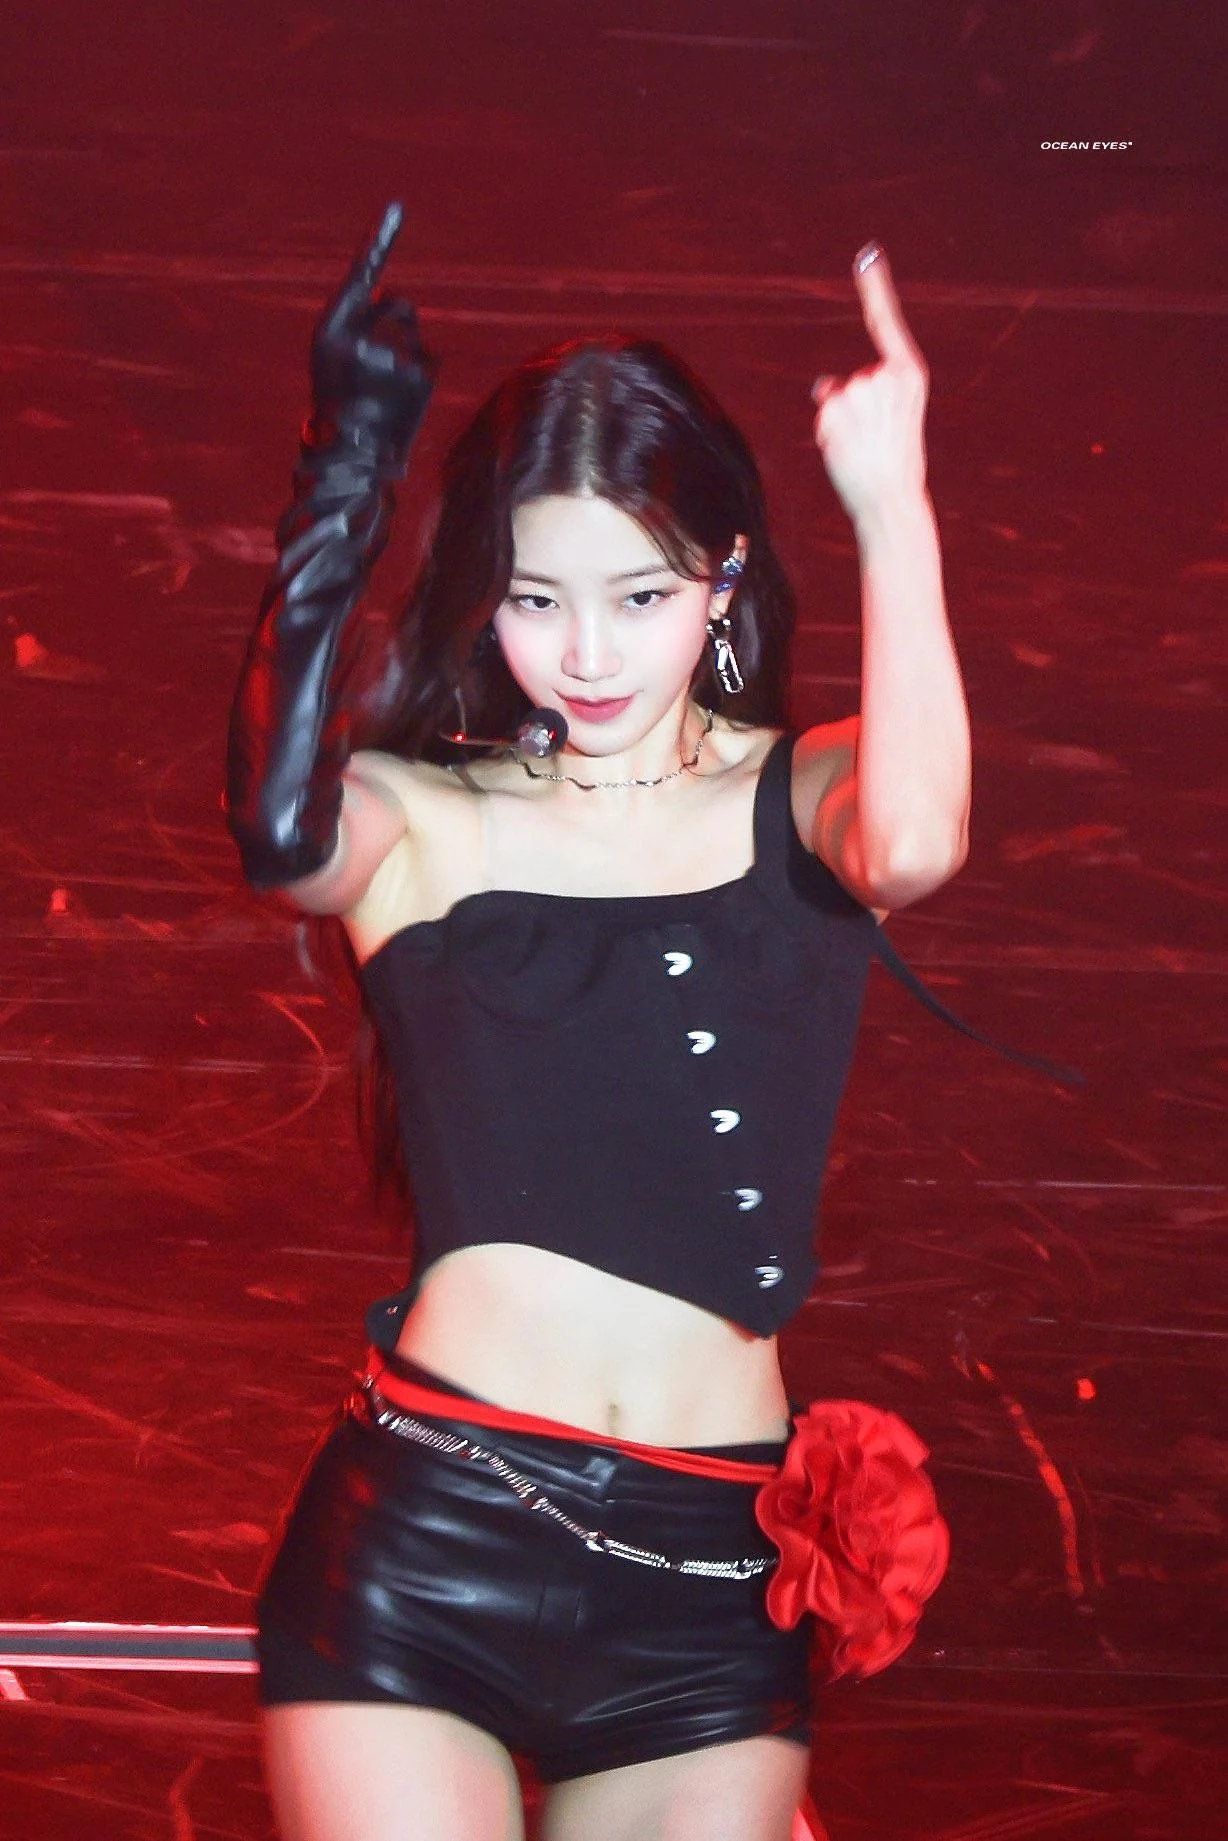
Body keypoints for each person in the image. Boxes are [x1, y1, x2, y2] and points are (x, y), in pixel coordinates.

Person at [224, 205, 1080, 1841]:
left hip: (703, 1603)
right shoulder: (430, 818)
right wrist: (342, 483)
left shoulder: (806, 789)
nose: (588, 654)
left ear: (723, 579)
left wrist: (895, 509)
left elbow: (917, 843)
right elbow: (279, 835)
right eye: (536, 600)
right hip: (428, 1548)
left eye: (639, 594)